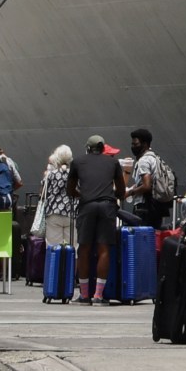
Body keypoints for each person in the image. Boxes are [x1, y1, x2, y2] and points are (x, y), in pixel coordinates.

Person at [68, 137, 126, 303]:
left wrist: (84, 195)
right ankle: (98, 295)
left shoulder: (78, 161)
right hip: (107, 206)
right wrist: (110, 196)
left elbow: (70, 189)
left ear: (88, 148)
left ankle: (84, 294)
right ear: (102, 148)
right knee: (103, 249)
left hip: (87, 205)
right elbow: (121, 189)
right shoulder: (112, 163)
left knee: (84, 249)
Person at [127, 129, 173, 228]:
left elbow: (146, 186)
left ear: (144, 144)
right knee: (153, 237)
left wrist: (131, 192)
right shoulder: (155, 158)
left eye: (135, 144)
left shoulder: (144, 160)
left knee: (141, 238)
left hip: (144, 207)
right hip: (157, 206)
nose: (133, 147)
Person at [39, 144, 78, 251]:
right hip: (72, 213)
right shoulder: (76, 175)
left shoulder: (51, 174)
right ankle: (71, 267)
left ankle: (54, 267)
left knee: (53, 248)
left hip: (53, 213)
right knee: (73, 248)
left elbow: (42, 193)